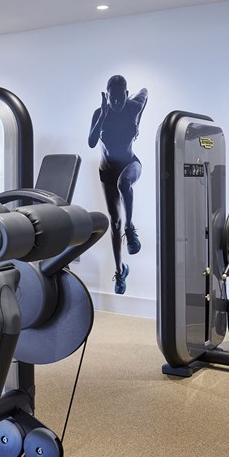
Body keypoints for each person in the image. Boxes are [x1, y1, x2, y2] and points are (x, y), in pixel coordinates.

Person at [88, 75, 148, 295]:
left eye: (119, 98)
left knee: (125, 184)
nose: (116, 103)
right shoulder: (100, 113)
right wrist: (103, 116)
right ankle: (120, 270)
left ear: (125, 94)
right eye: (111, 99)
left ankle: (130, 228)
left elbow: (145, 91)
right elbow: (92, 142)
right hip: (107, 171)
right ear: (107, 96)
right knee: (114, 222)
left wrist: (138, 122)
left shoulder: (135, 106)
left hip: (131, 164)